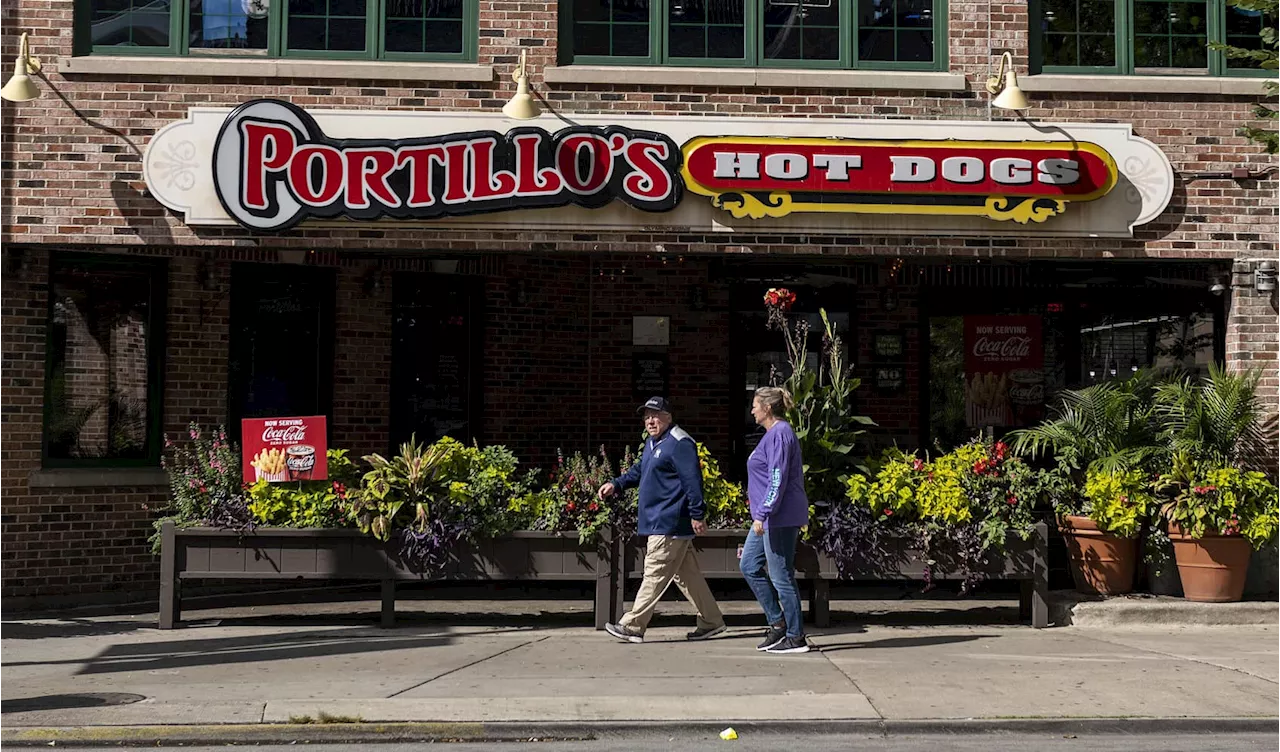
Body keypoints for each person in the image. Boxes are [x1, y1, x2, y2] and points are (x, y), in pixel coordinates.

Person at [599, 396, 726, 644]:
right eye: (646, 416)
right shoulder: (654, 443)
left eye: (655, 415)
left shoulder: (680, 443)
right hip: (659, 520)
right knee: (687, 576)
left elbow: (693, 482)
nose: (650, 420)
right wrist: (616, 484)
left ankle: (633, 625)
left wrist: (697, 514)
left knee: (654, 572)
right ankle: (712, 621)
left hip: (669, 521)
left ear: (669, 416)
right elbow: (640, 470)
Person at [740, 386, 811, 654]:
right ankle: (778, 623)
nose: (752, 410)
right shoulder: (771, 435)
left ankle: (796, 636)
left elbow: (777, 479)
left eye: (755, 405)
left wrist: (763, 513)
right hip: (767, 517)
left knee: (781, 577)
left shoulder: (780, 434)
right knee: (749, 565)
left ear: (768, 408)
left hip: (777, 517)